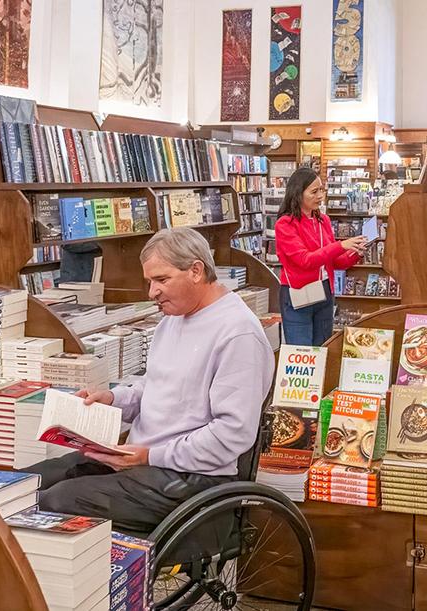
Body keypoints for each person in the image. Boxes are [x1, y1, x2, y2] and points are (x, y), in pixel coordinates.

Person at [28, 228, 275, 534]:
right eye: (149, 282)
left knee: (55, 501)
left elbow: (232, 434)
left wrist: (150, 456)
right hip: (144, 461)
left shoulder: (238, 334)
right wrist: (115, 399)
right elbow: (157, 384)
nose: (151, 293)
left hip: (191, 478)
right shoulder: (173, 318)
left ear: (196, 271)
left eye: (162, 280)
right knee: (29, 482)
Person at [273, 167, 367, 345]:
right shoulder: (285, 224)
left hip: (324, 290)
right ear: (298, 193)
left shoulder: (322, 220)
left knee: (323, 347)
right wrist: (340, 245)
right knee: (302, 352)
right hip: (298, 293)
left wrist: (355, 252)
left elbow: (335, 262)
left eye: (322, 190)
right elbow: (305, 260)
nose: (320, 196)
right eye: (314, 191)